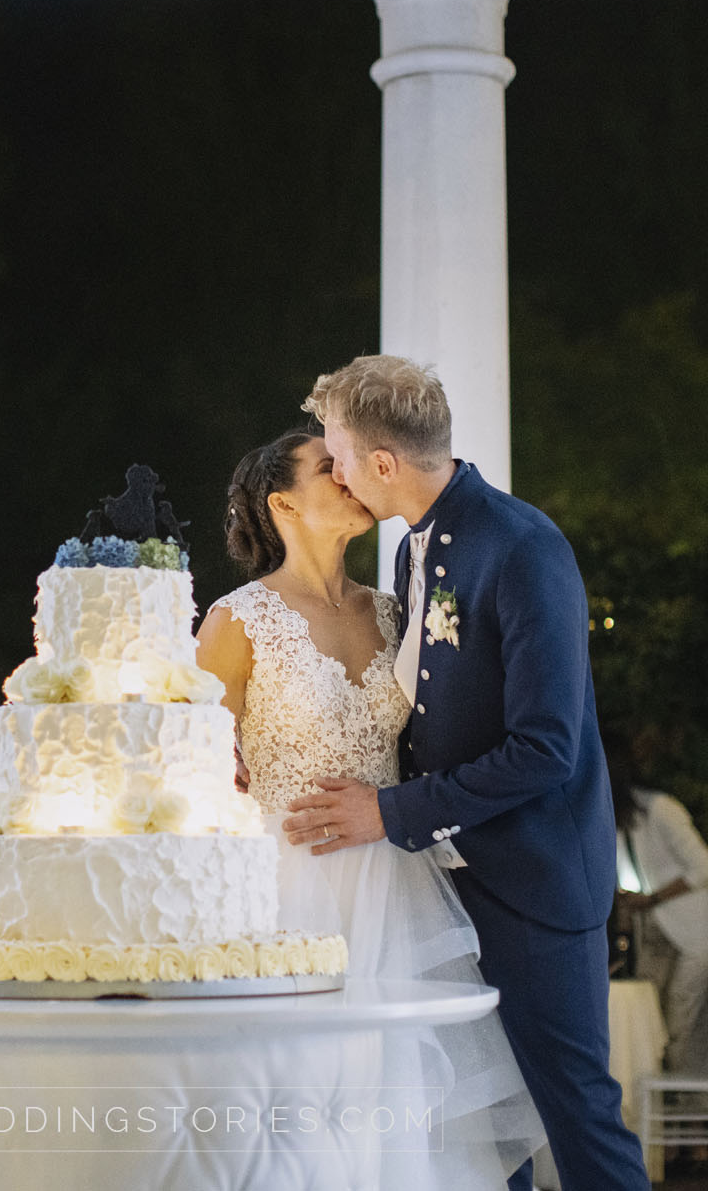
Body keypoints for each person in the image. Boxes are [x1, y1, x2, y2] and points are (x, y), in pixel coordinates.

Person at [279, 355, 650, 1191]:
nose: (333, 472)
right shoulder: (416, 549)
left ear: (382, 464)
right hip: (444, 893)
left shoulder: (523, 546)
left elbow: (545, 747)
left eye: (337, 454)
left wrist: (392, 813)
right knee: (485, 1130)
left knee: (577, 1116)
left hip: (537, 884)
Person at [196, 428, 546, 1189]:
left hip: (396, 882)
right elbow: (194, 765)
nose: (350, 477)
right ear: (283, 502)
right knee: (300, 1101)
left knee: (403, 1100)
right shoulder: (237, 620)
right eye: (331, 469)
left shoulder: (394, 612)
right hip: (286, 888)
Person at [607, 734, 708, 1174]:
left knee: (686, 1026)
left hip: (698, 931)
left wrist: (651, 899)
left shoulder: (661, 808)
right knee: (653, 1025)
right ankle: (657, 1140)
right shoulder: (614, 820)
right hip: (655, 932)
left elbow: (704, 867)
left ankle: (695, 1142)